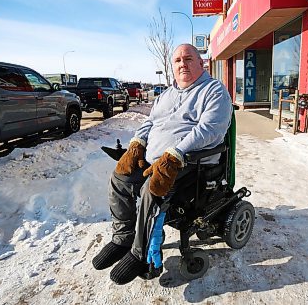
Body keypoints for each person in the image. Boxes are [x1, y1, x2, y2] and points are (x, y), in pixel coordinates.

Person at [92, 44, 233, 285]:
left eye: (188, 59)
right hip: (157, 159)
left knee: (152, 189)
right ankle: (123, 237)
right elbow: (150, 122)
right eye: (177, 60)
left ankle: (140, 254)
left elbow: (210, 130)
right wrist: (137, 142)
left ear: (201, 64)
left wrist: (177, 152)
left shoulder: (214, 91)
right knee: (120, 178)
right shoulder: (167, 94)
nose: (182, 64)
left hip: (191, 162)